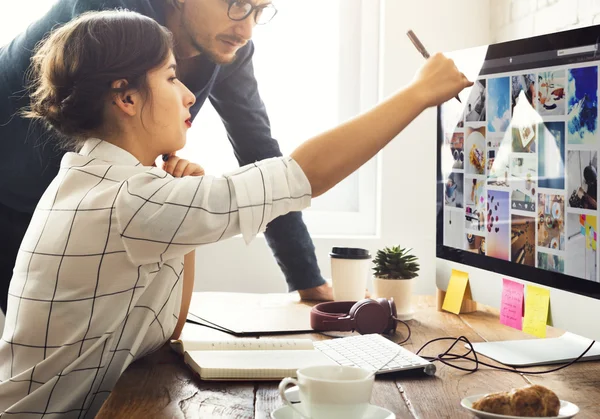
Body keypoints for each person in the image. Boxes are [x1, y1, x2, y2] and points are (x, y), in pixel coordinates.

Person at [0, 10, 470, 417]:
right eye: (169, 77)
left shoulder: (95, 177)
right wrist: (417, 94)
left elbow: (167, 330)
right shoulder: (128, 199)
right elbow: (303, 175)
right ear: (126, 98)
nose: (188, 95)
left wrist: (181, 206)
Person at [0, 0, 333, 315]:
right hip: (17, 184)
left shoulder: (228, 47)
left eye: (259, 10)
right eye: (236, 4)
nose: (246, 30)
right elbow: (94, 141)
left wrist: (308, 281)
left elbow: (258, 149)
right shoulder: (110, 22)